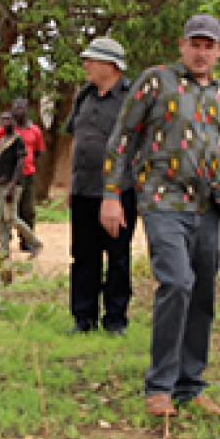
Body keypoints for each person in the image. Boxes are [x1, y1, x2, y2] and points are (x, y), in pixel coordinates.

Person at [100, 14, 220, 418]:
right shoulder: (156, 81)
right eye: (194, 44)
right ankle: (159, 386)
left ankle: (190, 384)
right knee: (177, 283)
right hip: (162, 201)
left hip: (208, 207)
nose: (201, 52)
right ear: (182, 46)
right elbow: (121, 139)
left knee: (202, 294)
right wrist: (111, 194)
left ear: (218, 51)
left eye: (209, 46)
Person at [65, 38, 137, 335]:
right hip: (83, 190)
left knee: (117, 256)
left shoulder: (132, 98)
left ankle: (116, 319)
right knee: (83, 255)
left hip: (118, 193)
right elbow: (77, 140)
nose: (86, 65)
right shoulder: (84, 96)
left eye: (91, 60)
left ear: (110, 65)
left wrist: (117, 193)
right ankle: (84, 318)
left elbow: (138, 146)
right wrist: (72, 184)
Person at [0, 99, 45, 252]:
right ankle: (5, 241)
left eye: (22, 108)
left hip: (27, 175)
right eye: (16, 108)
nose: (19, 111)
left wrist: (27, 163)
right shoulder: (5, 131)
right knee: (5, 213)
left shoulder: (35, 130)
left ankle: (28, 242)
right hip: (7, 177)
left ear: (27, 110)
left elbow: (39, 151)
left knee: (27, 210)